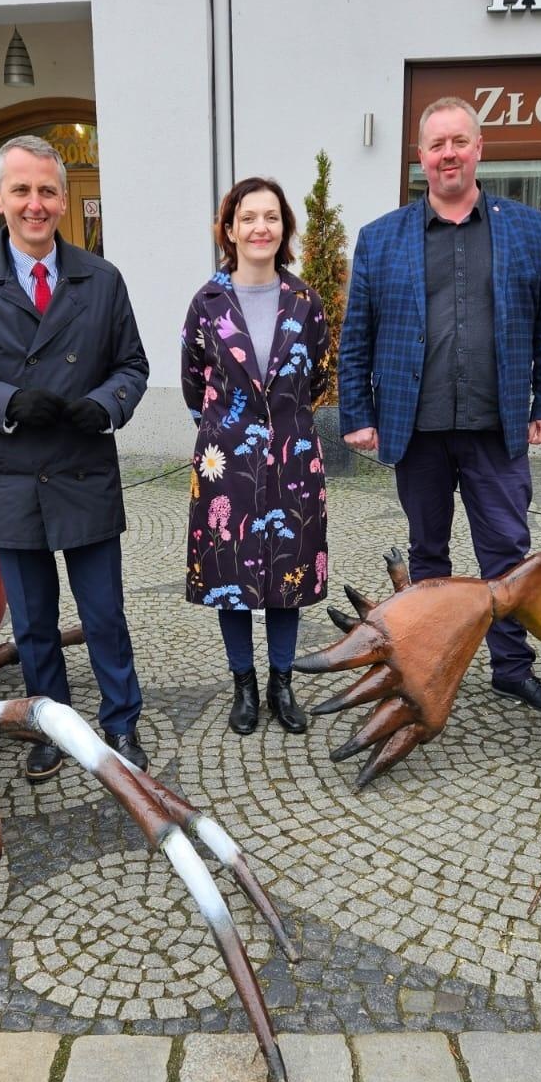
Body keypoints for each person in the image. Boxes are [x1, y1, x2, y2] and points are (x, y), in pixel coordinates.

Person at [0, 134, 151, 779]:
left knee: (104, 613)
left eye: (47, 190)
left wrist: (102, 406)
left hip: (84, 467)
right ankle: (50, 723)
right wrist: (4, 401)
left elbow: (132, 364)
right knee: (34, 623)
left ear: (65, 197)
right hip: (11, 475)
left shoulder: (100, 279)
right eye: (21, 190)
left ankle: (121, 723)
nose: (35, 204)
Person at [338, 95, 541, 716]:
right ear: (421, 157)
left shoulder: (526, 228)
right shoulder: (381, 237)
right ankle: (431, 655)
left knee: (507, 553)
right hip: (415, 427)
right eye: (437, 144)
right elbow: (357, 332)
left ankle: (511, 667)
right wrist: (356, 412)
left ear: (479, 149)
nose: (448, 154)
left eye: (459, 142)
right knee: (428, 554)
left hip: (497, 425)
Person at [181, 177, 331, 734]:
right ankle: (243, 685)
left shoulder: (305, 301)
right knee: (231, 574)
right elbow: (194, 382)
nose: (259, 227)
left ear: (284, 228)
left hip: (293, 455)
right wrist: (232, 428)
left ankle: (281, 683)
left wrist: (279, 422)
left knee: (287, 574)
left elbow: (315, 377)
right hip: (228, 458)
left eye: (271, 217)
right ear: (230, 228)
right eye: (248, 217)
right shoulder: (207, 301)